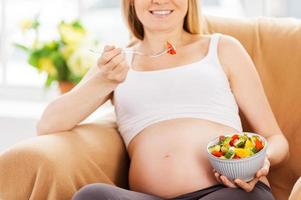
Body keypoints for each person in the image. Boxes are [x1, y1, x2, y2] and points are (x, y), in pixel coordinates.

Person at [37, 0, 289, 199]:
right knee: (91, 196)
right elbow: (48, 125)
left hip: (228, 192)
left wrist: (260, 163)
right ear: (131, 2)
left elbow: (277, 139)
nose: (159, 0)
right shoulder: (117, 65)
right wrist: (103, 81)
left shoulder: (223, 48)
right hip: (148, 197)